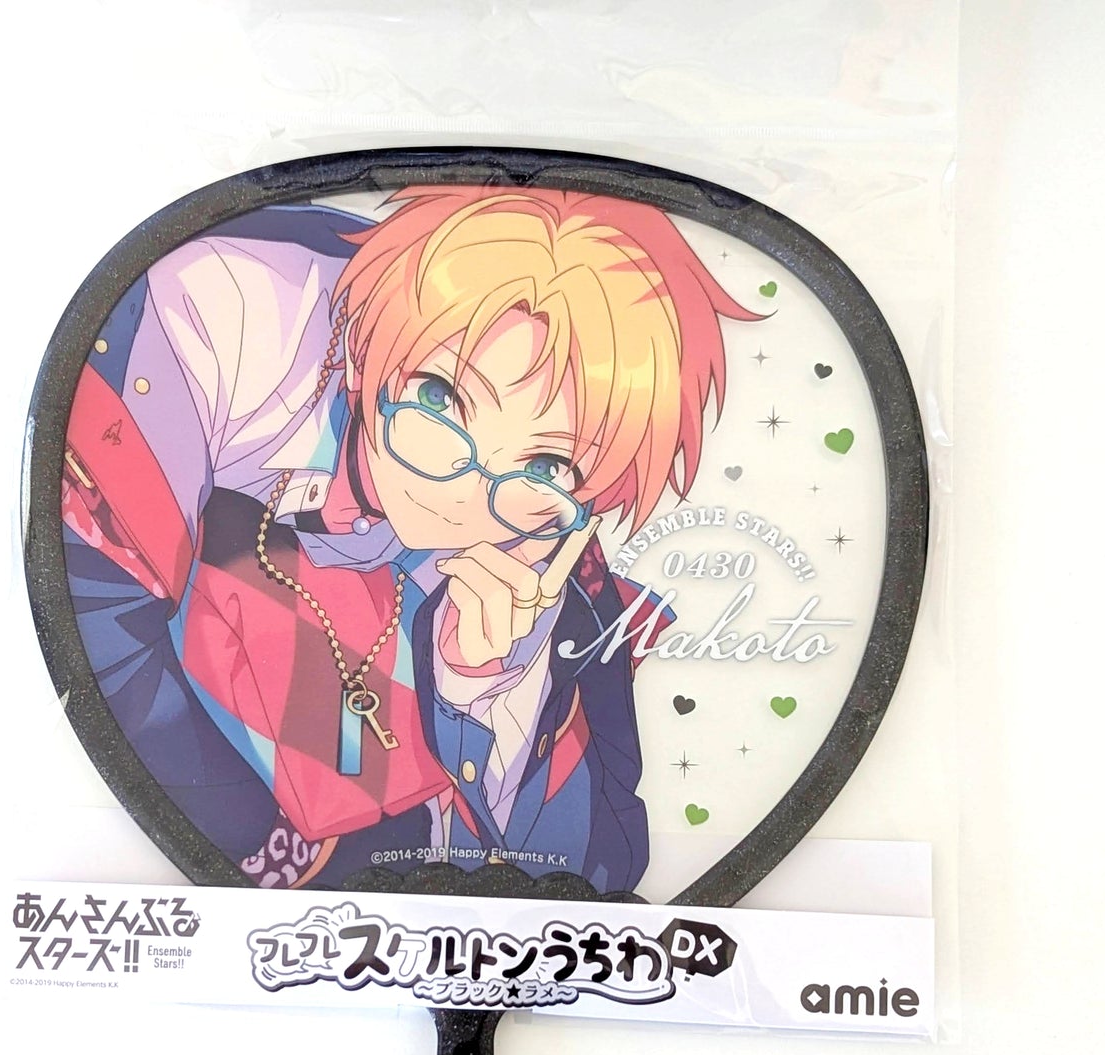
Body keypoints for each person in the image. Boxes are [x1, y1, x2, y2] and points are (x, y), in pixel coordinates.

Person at [61, 187, 754, 890]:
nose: (462, 489)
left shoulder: (543, 535)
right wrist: (256, 853)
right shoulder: (232, 306)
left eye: (548, 464)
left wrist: (481, 689)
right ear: (364, 352)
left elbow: (595, 873)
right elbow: (96, 622)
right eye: (440, 399)